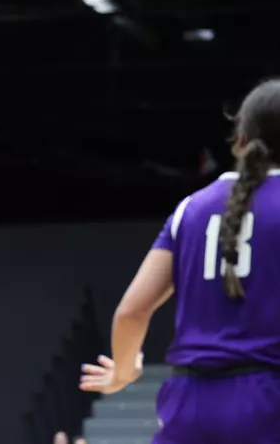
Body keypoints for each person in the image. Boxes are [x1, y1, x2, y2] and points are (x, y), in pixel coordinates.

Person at [79, 79, 280, 443]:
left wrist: (123, 371)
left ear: (239, 139)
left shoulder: (190, 209)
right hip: (268, 401)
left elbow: (131, 312)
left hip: (188, 401)